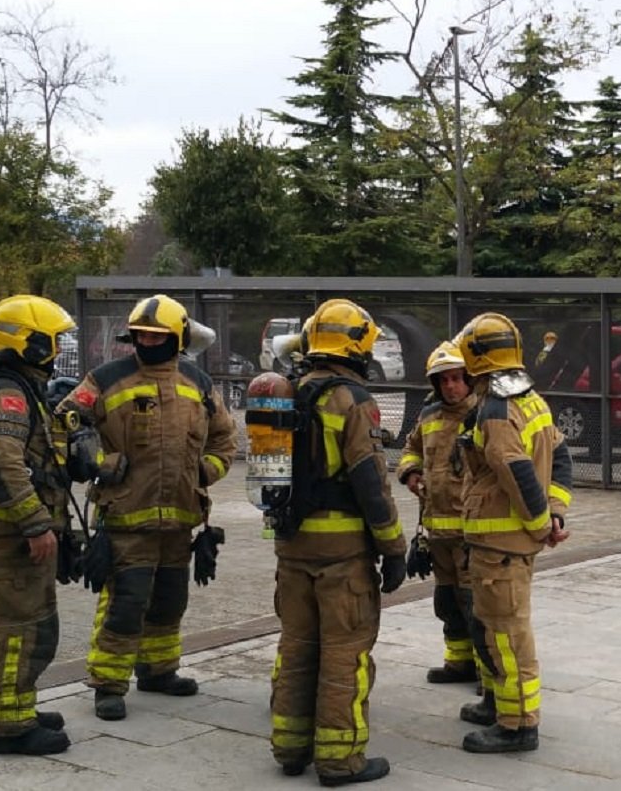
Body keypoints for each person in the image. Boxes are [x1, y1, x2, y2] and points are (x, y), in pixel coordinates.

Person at [58, 294, 237, 722]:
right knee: (126, 602)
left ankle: (158, 671)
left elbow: (224, 439)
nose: (147, 342)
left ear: (176, 339)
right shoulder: (105, 379)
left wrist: (204, 473)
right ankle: (108, 683)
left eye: (157, 336)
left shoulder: (199, 383)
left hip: (180, 519)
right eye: (141, 335)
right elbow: (65, 422)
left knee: (170, 600)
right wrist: (99, 462)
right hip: (125, 518)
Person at [268, 299, 407, 785]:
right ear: (358, 347)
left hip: (291, 547)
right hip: (342, 552)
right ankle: (339, 760)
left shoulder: (289, 391)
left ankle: (289, 748)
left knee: (297, 646)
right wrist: (393, 548)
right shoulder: (351, 400)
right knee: (345, 654)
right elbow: (371, 483)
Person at [452, 312, 573, 754]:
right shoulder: (531, 399)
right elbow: (561, 457)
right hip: (504, 546)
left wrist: (542, 524)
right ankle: (499, 705)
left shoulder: (496, 410)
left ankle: (518, 724)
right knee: (497, 628)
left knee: (507, 634)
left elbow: (515, 470)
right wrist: (556, 511)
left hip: (501, 545)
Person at [0, 294, 78, 755]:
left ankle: (10, 706)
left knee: (13, 622)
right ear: (30, 343)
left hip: (7, 525)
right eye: (53, 340)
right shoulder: (8, 392)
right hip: (11, 530)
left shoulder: (15, 384)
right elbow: (4, 460)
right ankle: (10, 726)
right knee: (25, 627)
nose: (58, 348)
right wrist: (35, 525)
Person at [397, 341, 478, 686]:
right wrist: (411, 472)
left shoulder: (483, 414)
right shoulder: (429, 415)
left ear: (469, 379)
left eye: (457, 378)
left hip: (471, 534)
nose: (450, 386)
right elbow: (411, 448)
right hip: (437, 531)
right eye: (443, 380)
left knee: (477, 606)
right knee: (447, 601)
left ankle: (489, 675)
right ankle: (458, 663)